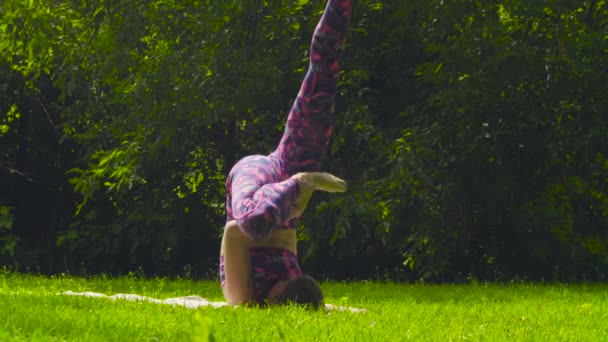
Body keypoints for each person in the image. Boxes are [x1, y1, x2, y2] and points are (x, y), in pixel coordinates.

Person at [220, 0, 352, 309]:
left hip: (258, 187)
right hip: (281, 193)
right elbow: (286, 237)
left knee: (255, 220)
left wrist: (279, 223)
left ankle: (301, 181)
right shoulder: (296, 284)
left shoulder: (245, 297)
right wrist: (279, 232)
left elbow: (235, 232)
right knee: (321, 86)